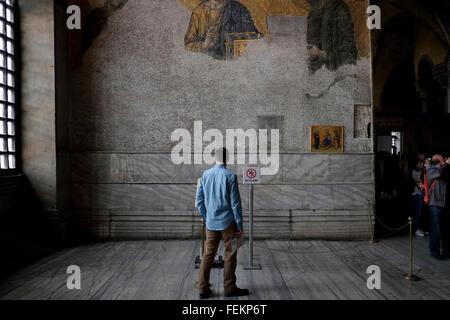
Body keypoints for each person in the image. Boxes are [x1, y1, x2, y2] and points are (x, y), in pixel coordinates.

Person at [195, 147, 249, 298]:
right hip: (228, 224)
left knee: (208, 254)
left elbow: (199, 201)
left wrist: (207, 216)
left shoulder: (205, 175)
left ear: (215, 158)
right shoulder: (230, 176)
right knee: (230, 254)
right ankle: (229, 288)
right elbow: (235, 204)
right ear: (228, 159)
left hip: (211, 224)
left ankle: (203, 288)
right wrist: (239, 225)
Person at [184, 0, 260, 60]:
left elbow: (255, 36)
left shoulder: (239, 9)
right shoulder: (199, 13)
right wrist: (204, 45)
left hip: (236, 64)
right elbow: (188, 45)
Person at [426, 154, 450, 260]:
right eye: (442, 160)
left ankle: (446, 251)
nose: (444, 160)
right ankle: (434, 251)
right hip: (435, 205)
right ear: (436, 162)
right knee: (436, 230)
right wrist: (447, 164)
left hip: (445, 205)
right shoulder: (431, 171)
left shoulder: (444, 170)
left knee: (446, 230)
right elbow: (439, 174)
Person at [411, 159, 426, 237]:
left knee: (423, 212)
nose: (421, 164)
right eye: (419, 163)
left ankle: (422, 228)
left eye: (421, 163)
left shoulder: (423, 170)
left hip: (423, 193)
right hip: (417, 193)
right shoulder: (414, 171)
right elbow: (417, 179)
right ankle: (417, 229)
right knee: (418, 212)